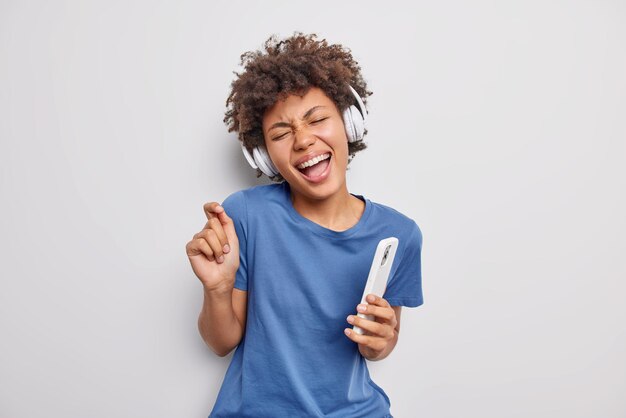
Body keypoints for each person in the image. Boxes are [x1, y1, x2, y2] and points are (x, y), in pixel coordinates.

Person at [185, 32, 424, 418]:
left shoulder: (400, 234)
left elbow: (379, 344)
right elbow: (220, 342)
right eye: (280, 134)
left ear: (350, 121)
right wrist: (218, 287)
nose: (302, 140)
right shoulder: (245, 215)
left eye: (317, 119)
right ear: (263, 156)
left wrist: (381, 341)